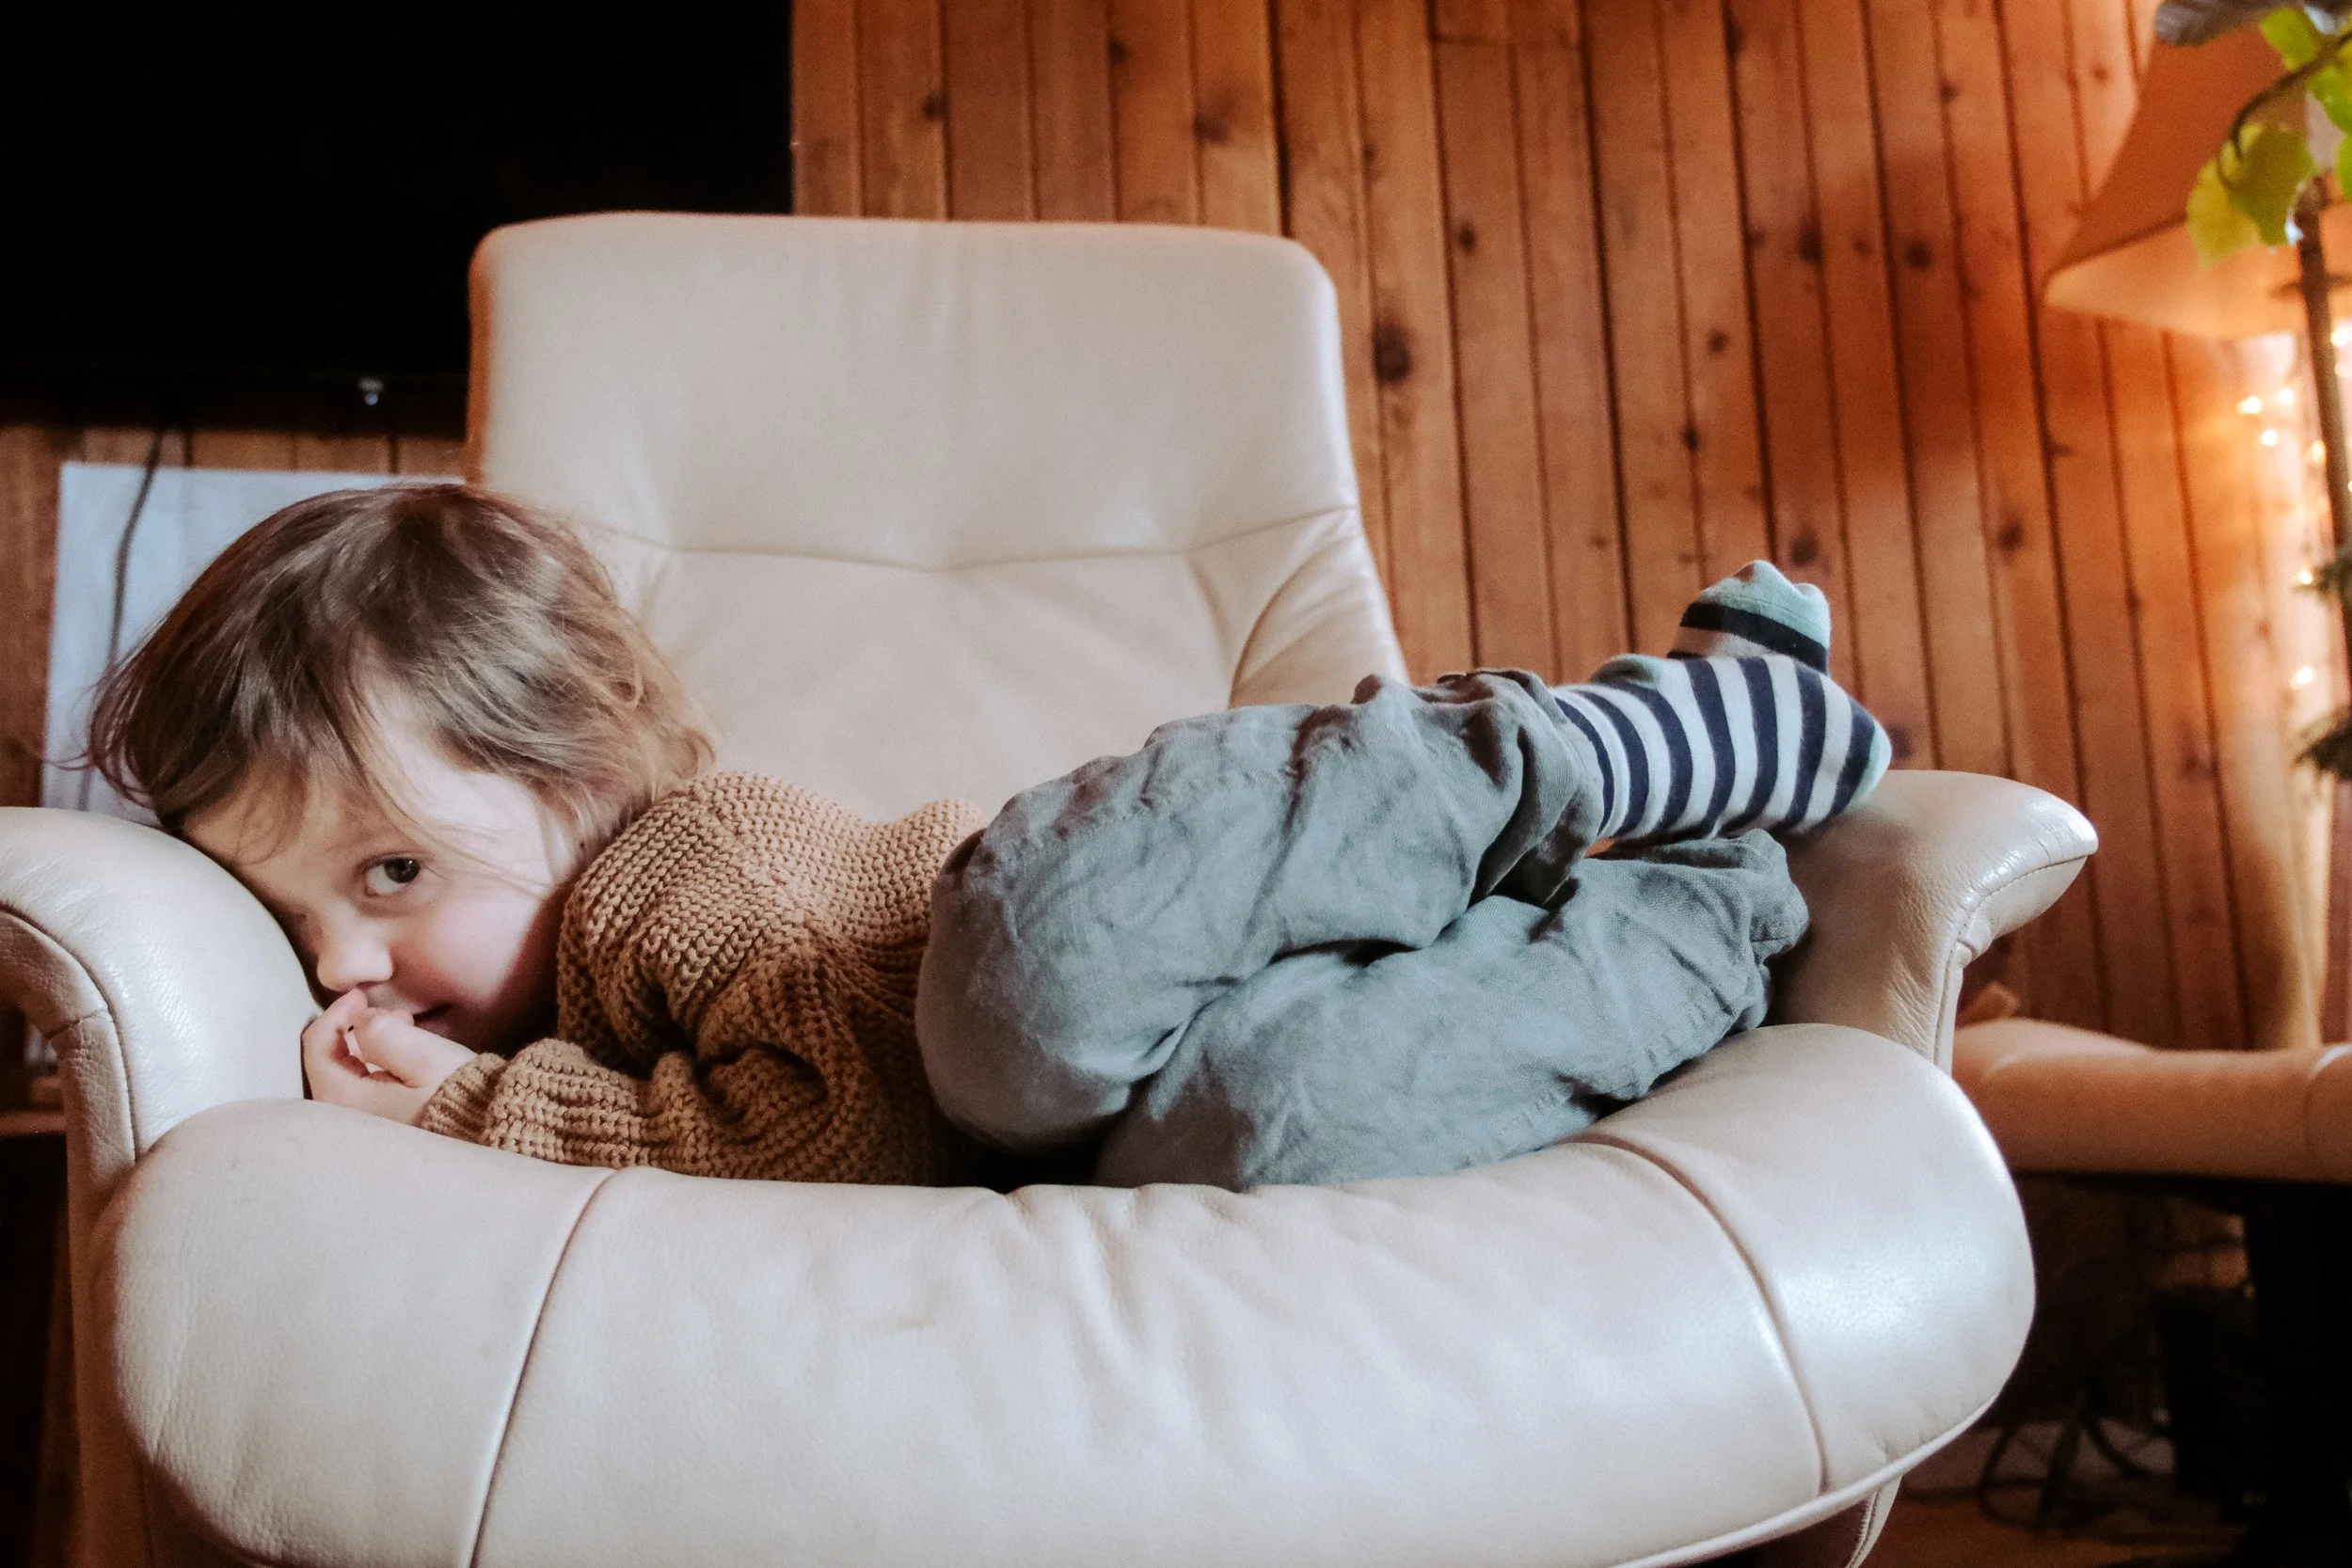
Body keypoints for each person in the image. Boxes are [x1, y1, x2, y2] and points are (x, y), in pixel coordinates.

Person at [87, 483, 1887, 1190]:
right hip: (1163, 1092)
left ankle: (1608, 743)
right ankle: (1715, 880)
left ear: (581, 759)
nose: (337, 960)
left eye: (388, 872)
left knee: (1021, 982)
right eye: (287, 906)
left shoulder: (672, 872)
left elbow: (850, 1120)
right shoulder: (579, 1002)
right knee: (1274, 1131)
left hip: (1087, 974)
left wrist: (470, 1108)